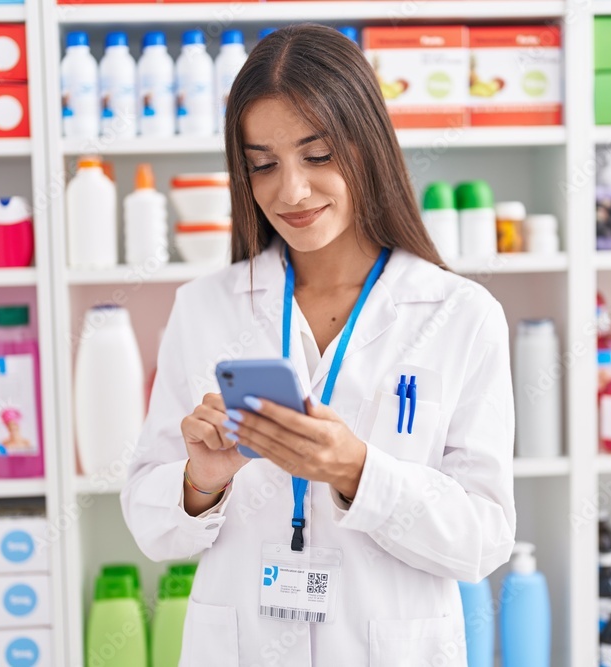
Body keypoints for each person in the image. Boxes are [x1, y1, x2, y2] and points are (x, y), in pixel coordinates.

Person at [121, 24, 515, 667]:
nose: (291, 191)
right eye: (263, 165)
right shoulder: (205, 307)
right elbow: (150, 523)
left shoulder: (460, 315)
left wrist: (357, 472)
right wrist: (201, 482)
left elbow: (483, 540)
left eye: (319, 154)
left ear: (368, 146)